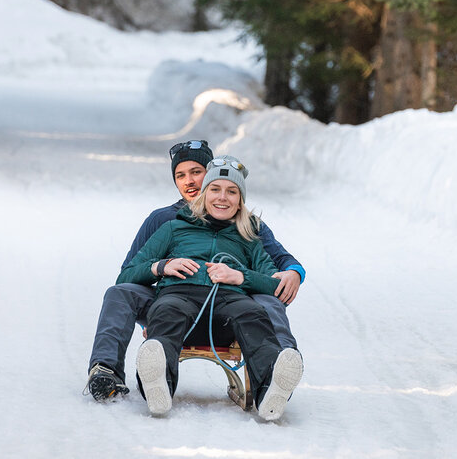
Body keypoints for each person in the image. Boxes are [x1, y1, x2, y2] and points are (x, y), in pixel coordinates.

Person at [84, 140, 305, 401]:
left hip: (229, 300)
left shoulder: (247, 228)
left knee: (260, 306)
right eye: (181, 175)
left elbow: (275, 262)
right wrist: (161, 269)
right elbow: (130, 273)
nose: (189, 181)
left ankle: (279, 373)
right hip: (172, 297)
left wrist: (291, 271)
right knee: (125, 295)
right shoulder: (166, 222)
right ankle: (112, 372)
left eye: (196, 173)